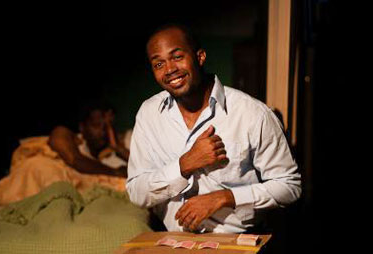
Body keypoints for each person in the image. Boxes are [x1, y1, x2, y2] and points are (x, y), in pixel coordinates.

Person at [126, 24, 301, 233]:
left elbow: (289, 187)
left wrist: (227, 197)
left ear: (199, 57)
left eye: (177, 57)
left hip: (237, 242)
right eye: (159, 63)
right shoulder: (149, 114)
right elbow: (137, 192)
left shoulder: (253, 114)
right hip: (174, 242)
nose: (170, 69)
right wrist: (183, 165)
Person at [0, 101, 130, 209]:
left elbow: (142, 174)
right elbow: (74, 160)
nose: (103, 131)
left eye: (107, 126)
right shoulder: (64, 134)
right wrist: (115, 172)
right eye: (96, 125)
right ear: (82, 127)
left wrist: (119, 148)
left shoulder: (107, 160)